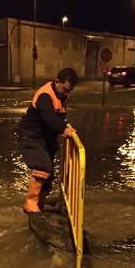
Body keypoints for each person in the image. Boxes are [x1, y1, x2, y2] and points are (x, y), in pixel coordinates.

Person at [16, 68, 79, 213]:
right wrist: (64, 129)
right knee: (42, 167)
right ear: (57, 82)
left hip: (44, 139)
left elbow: (58, 116)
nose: (66, 93)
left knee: (48, 174)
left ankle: (39, 205)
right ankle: (30, 204)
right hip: (31, 136)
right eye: (65, 89)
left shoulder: (61, 94)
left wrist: (64, 125)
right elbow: (49, 117)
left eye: (69, 90)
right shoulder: (45, 95)